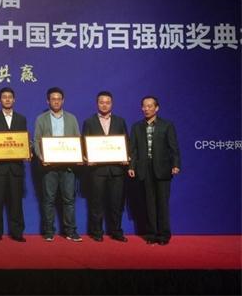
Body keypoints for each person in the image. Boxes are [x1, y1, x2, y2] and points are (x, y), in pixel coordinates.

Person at [128, 96, 181, 245]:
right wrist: (131, 166)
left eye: (150, 106)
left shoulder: (167, 125)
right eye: (144, 106)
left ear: (156, 108)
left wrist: (175, 164)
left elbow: (173, 147)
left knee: (162, 203)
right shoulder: (136, 127)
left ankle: (164, 235)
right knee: (149, 203)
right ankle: (151, 234)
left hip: (163, 169)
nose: (146, 109)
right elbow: (133, 150)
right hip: (144, 169)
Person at [33, 87, 82, 242]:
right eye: (53, 99)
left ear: (63, 100)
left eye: (59, 99)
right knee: (49, 200)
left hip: (68, 166)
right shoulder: (41, 119)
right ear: (48, 101)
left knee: (69, 200)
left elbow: (77, 139)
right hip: (49, 167)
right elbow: (36, 141)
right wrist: (42, 157)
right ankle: (49, 231)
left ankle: (71, 231)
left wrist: (78, 155)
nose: (56, 101)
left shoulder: (72, 118)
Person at [82, 91, 128, 242]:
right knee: (97, 203)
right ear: (97, 104)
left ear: (112, 104)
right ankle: (97, 232)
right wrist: (87, 158)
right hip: (97, 170)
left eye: (107, 102)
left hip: (117, 170)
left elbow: (126, 142)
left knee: (116, 203)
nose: (104, 105)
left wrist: (126, 156)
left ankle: (117, 232)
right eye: (101, 102)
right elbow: (84, 144)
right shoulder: (89, 122)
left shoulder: (120, 121)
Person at [0, 87, 28, 242]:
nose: (7, 99)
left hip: (16, 168)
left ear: (14, 99)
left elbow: (23, 141)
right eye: (4, 97)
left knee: (16, 202)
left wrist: (26, 152)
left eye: (10, 96)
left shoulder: (21, 119)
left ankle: (17, 232)